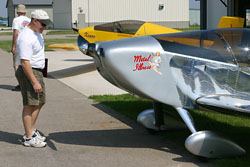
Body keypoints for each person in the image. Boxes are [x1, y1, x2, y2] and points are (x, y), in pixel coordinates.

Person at [16, 9, 53, 148]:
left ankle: (31, 130)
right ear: (35, 21)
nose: (45, 27)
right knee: (30, 104)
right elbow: (25, 62)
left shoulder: (37, 33)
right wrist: (34, 81)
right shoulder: (26, 37)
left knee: (40, 101)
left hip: (37, 71)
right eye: (43, 24)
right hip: (29, 72)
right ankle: (29, 137)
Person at [11, 4, 31, 91]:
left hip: (19, 44)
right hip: (28, 44)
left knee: (16, 64)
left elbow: (16, 33)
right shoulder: (29, 20)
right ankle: (28, 83)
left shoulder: (16, 20)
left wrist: (13, 46)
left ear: (17, 11)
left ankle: (21, 84)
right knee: (27, 63)